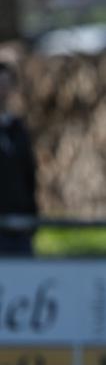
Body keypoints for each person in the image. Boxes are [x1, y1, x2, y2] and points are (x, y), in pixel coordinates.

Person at [0, 62, 39, 255]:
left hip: (19, 225)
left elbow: (28, 174)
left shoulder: (17, 129)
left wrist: (31, 214)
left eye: (6, 84)